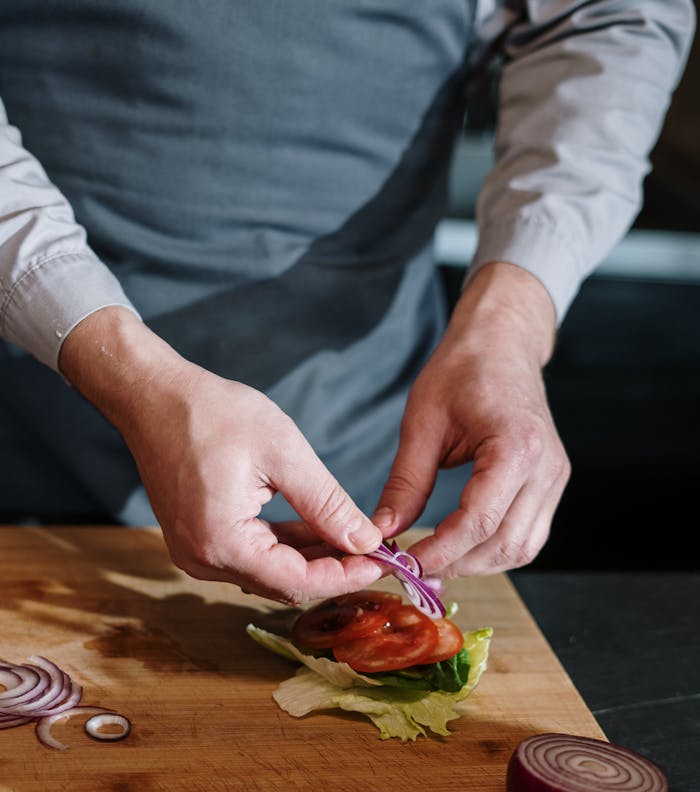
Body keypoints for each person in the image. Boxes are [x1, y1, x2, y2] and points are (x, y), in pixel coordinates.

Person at [0, 1, 694, 605]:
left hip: (374, 445)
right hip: (30, 451)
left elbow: (608, 19)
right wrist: (129, 374)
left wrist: (510, 326)